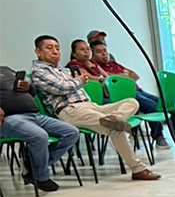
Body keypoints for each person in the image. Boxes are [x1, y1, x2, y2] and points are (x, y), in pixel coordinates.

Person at [30, 35, 160, 181]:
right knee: (114, 128)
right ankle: (138, 169)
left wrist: (77, 80)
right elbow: (61, 88)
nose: (55, 51)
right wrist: (78, 80)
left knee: (132, 102)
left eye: (57, 48)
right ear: (38, 52)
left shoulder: (63, 70)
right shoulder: (39, 71)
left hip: (91, 106)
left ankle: (116, 118)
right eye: (49, 48)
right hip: (71, 109)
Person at [91, 40, 175, 149]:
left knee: (165, 104)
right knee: (152, 107)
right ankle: (158, 137)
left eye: (105, 50)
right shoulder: (96, 68)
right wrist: (123, 75)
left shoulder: (114, 64)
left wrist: (118, 77)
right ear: (93, 55)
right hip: (126, 95)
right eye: (99, 52)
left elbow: (134, 76)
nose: (104, 54)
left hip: (138, 90)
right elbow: (110, 80)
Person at [0, 65, 79, 192]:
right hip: (9, 118)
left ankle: (32, 165)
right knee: (40, 136)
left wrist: (29, 87)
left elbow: (33, 92)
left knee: (71, 132)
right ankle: (40, 177)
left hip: (34, 115)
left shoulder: (6, 70)